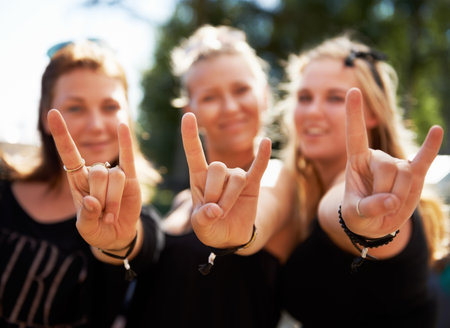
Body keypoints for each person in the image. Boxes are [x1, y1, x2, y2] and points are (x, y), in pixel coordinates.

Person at [184, 35, 447, 327]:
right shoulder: (296, 188)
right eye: (305, 97)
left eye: (335, 97)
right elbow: (264, 209)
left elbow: (339, 209)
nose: (312, 111)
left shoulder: (381, 200)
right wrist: (239, 234)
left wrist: (361, 221)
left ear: (372, 113)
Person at [125, 25, 286, 328]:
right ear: (190, 111)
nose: (229, 107)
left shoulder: (279, 177)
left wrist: (242, 234)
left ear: (264, 95)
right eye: (210, 97)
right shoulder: (182, 200)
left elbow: (263, 211)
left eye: (241, 90)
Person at [0, 39, 162, 327]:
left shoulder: (139, 217)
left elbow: (133, 243)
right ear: (45, 115)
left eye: (110, 106)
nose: (96, 125)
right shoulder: (3, 186)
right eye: (75, 108)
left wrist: (115, 241)